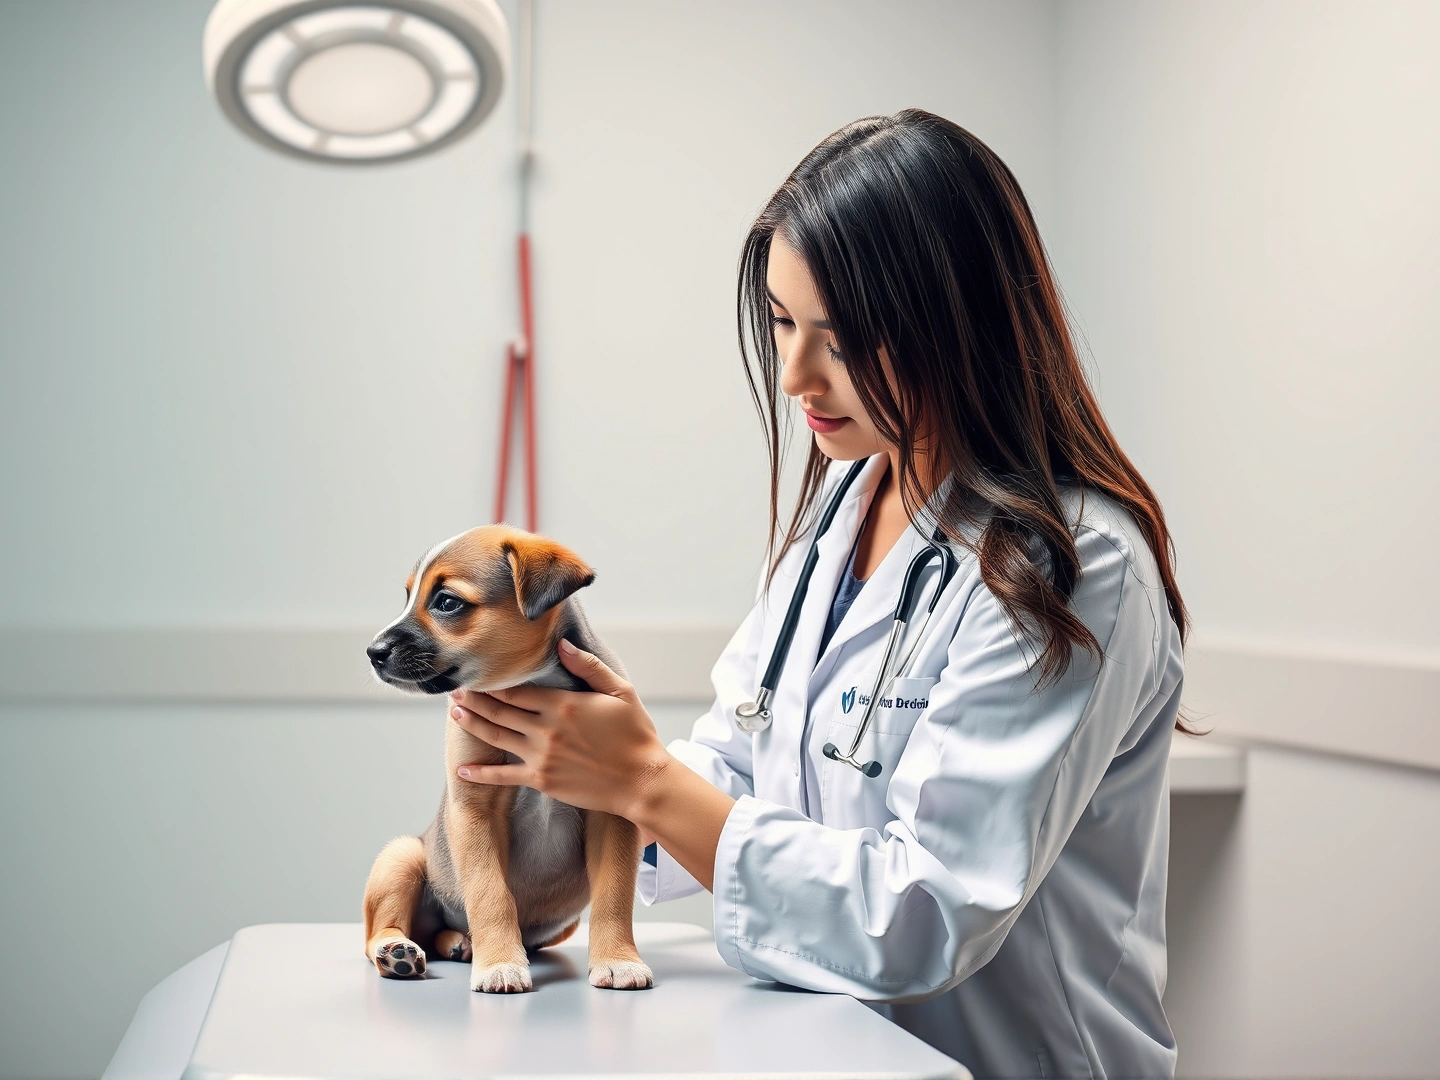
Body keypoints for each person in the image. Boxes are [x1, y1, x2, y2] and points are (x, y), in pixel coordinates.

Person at [447, 109, 1188, 1079]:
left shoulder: (1076, 566)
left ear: (957, 324)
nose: (795, 375)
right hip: (832, 1049)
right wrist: (581, 780)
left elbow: (925, 917)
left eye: (840, 339)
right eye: (782, 322)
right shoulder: (845, 501)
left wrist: (643, 784)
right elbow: (746, 762)